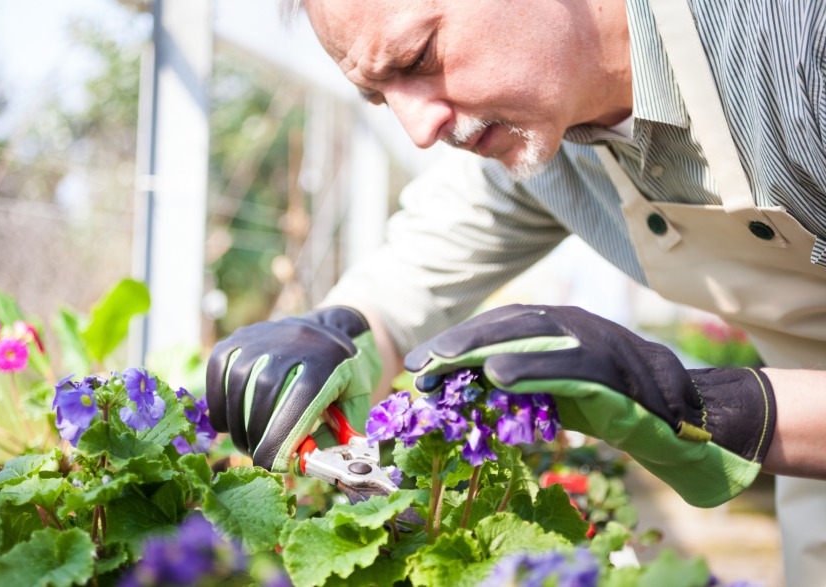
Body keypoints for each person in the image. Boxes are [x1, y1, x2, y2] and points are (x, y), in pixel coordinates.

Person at [206, 0, 826, 584]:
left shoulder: (800, 47)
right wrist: (332, 331)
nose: (417, 129)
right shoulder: (549, 133)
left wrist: (708, 409)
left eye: (419, 57)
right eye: (377, 96)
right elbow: (409, 279)